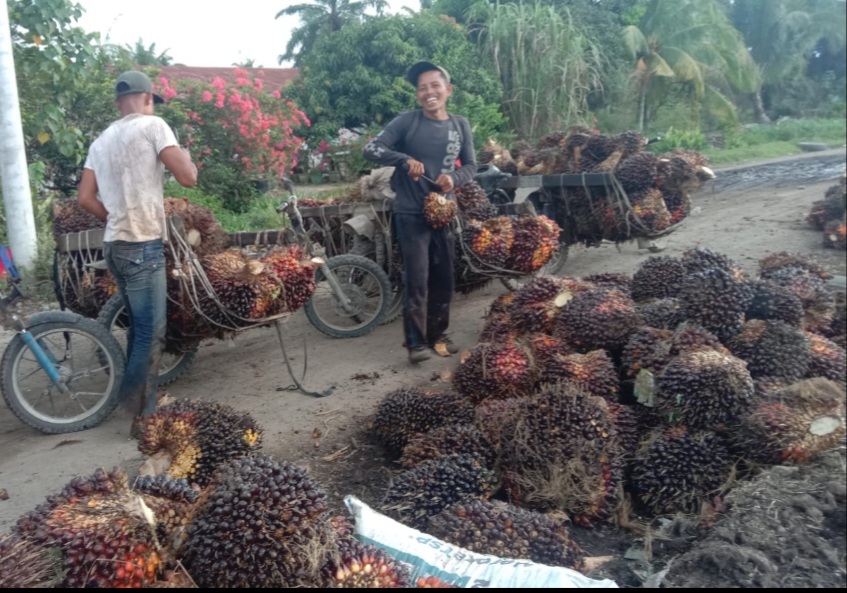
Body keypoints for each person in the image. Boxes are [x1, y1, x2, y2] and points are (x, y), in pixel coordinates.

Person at [78, 71, 197, 436]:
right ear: (148, 98)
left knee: (138, 328)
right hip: (142, 246)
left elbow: (84, 198)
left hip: (115, 246)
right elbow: (188, 179)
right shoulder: (153, 125)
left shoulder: (101, 140)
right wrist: (187, 158)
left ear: (118, 103)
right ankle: (141, 415)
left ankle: (138, 403)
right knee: (150, 331)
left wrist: (114, 218)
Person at [363, 61, 477, 363]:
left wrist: (454, 178)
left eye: (435, 85)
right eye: (422, 88)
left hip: (443, 212)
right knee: (418, 278)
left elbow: (471, 166)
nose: (429, 92)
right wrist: (403, 159)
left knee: (445, 278)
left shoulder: (459, 125)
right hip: (411, 212)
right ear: (417, 95)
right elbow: (371, 149)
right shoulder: (407, 122)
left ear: (447, 90)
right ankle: (415, 344)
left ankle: (437, 335)